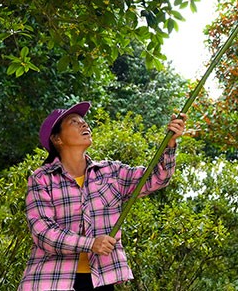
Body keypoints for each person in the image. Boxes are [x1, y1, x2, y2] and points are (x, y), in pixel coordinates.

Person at [18, 101, 187, 291]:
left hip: (101, 280)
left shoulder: (110, 172)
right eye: (74, 122)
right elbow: (43, 232)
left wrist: (170, 142)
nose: (84, 125)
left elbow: (157, 178)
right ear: (57, 139)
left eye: (84, 121)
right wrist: (90, 244)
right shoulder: (42, 178)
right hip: (51, 281)